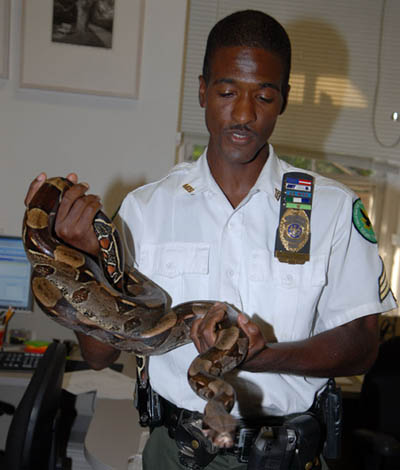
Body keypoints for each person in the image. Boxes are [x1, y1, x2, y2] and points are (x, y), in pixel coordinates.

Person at [25, 10, 397, 470]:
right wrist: (85, 256)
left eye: (263, 95)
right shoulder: (145, 210)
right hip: (176, 453)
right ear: (202, 90)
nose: (243, 114)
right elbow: (100, 353)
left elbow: (363, 345)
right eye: (226, 92)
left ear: (284, 99)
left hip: (286, 455)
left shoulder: (334, 209)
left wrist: (259, 358)